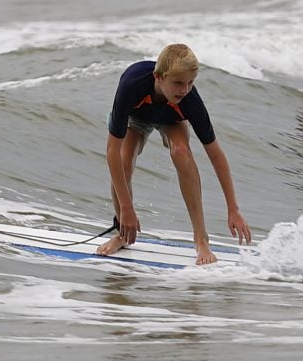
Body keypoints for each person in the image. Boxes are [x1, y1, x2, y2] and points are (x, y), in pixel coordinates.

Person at [95, 43, 251, 265]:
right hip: (136, 117)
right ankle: (122, 233)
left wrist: (233, 209)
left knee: (180, 151)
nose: (184, 89)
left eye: (190, 82)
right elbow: (111, 151)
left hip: (171, 120)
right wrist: (127, 209)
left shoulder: (189, 100)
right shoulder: (132, 86)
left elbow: (216, 155)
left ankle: (201, 240)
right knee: (123, 158)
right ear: (158, 77)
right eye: (178, 83)